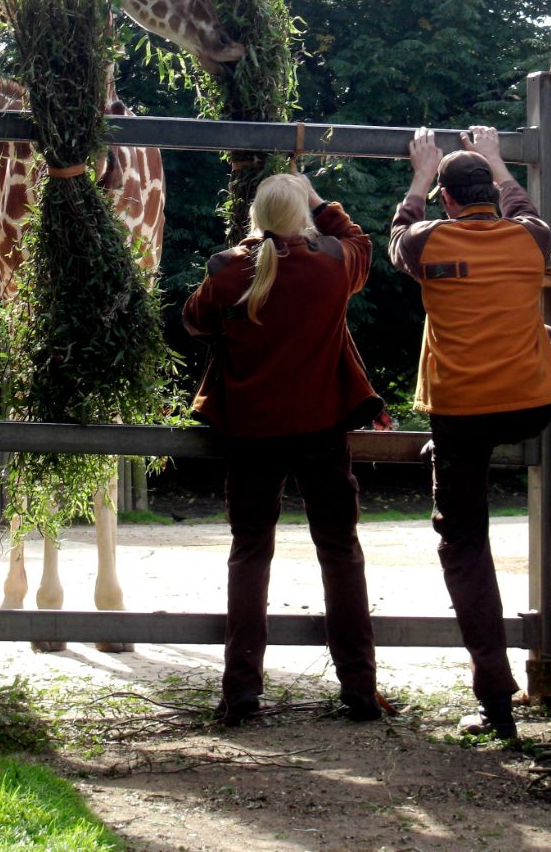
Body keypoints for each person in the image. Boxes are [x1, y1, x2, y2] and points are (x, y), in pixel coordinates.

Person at [389, 125, 551, 741]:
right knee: (550, 339)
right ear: (489, 191)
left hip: (462, 413)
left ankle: (495, 698)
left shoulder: (425, 243)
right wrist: (499, 162)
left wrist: (420, 175)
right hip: (531, 405)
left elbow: (395, 234)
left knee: (464, 543)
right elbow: (525, 208)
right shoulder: (531, 241)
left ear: (445, 200)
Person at [183, 170, 383, 725]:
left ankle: (241, 692)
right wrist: (321, 203)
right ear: (303, 219)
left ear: (255, 219)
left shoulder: (228, 274)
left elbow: (194, 320)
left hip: (248, 435)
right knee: (340, 553)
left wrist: (247, 250)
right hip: (321, 429)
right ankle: (360, 689)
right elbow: (362, 244)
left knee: (250, 554)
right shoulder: (333, 267)